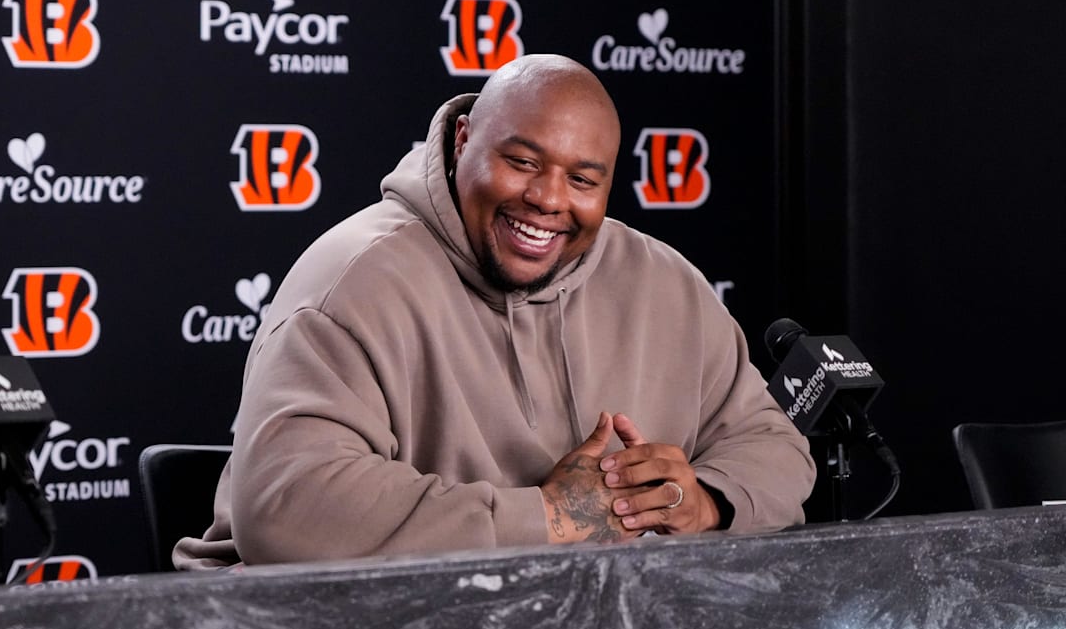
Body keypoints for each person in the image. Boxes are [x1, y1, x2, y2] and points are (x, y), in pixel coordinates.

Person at [175, 54, 815, 569]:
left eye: (583, 180)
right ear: (463, 140)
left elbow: (775, 448)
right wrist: (551, 518)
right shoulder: (351, 282)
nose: (547, 199)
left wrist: (706, 503)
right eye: (522, 163)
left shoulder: (664, 281)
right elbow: (288, 507)